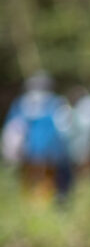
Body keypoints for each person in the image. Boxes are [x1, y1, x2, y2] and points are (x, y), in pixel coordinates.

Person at [1, 71, 74, 202]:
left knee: (31, 181)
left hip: (29, 151)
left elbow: (12, 129)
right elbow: (65, 128)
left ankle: (33, 206)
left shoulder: (21, 104)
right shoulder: (56, 103)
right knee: (46, 180)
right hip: (51, 151)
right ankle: (42, 206)